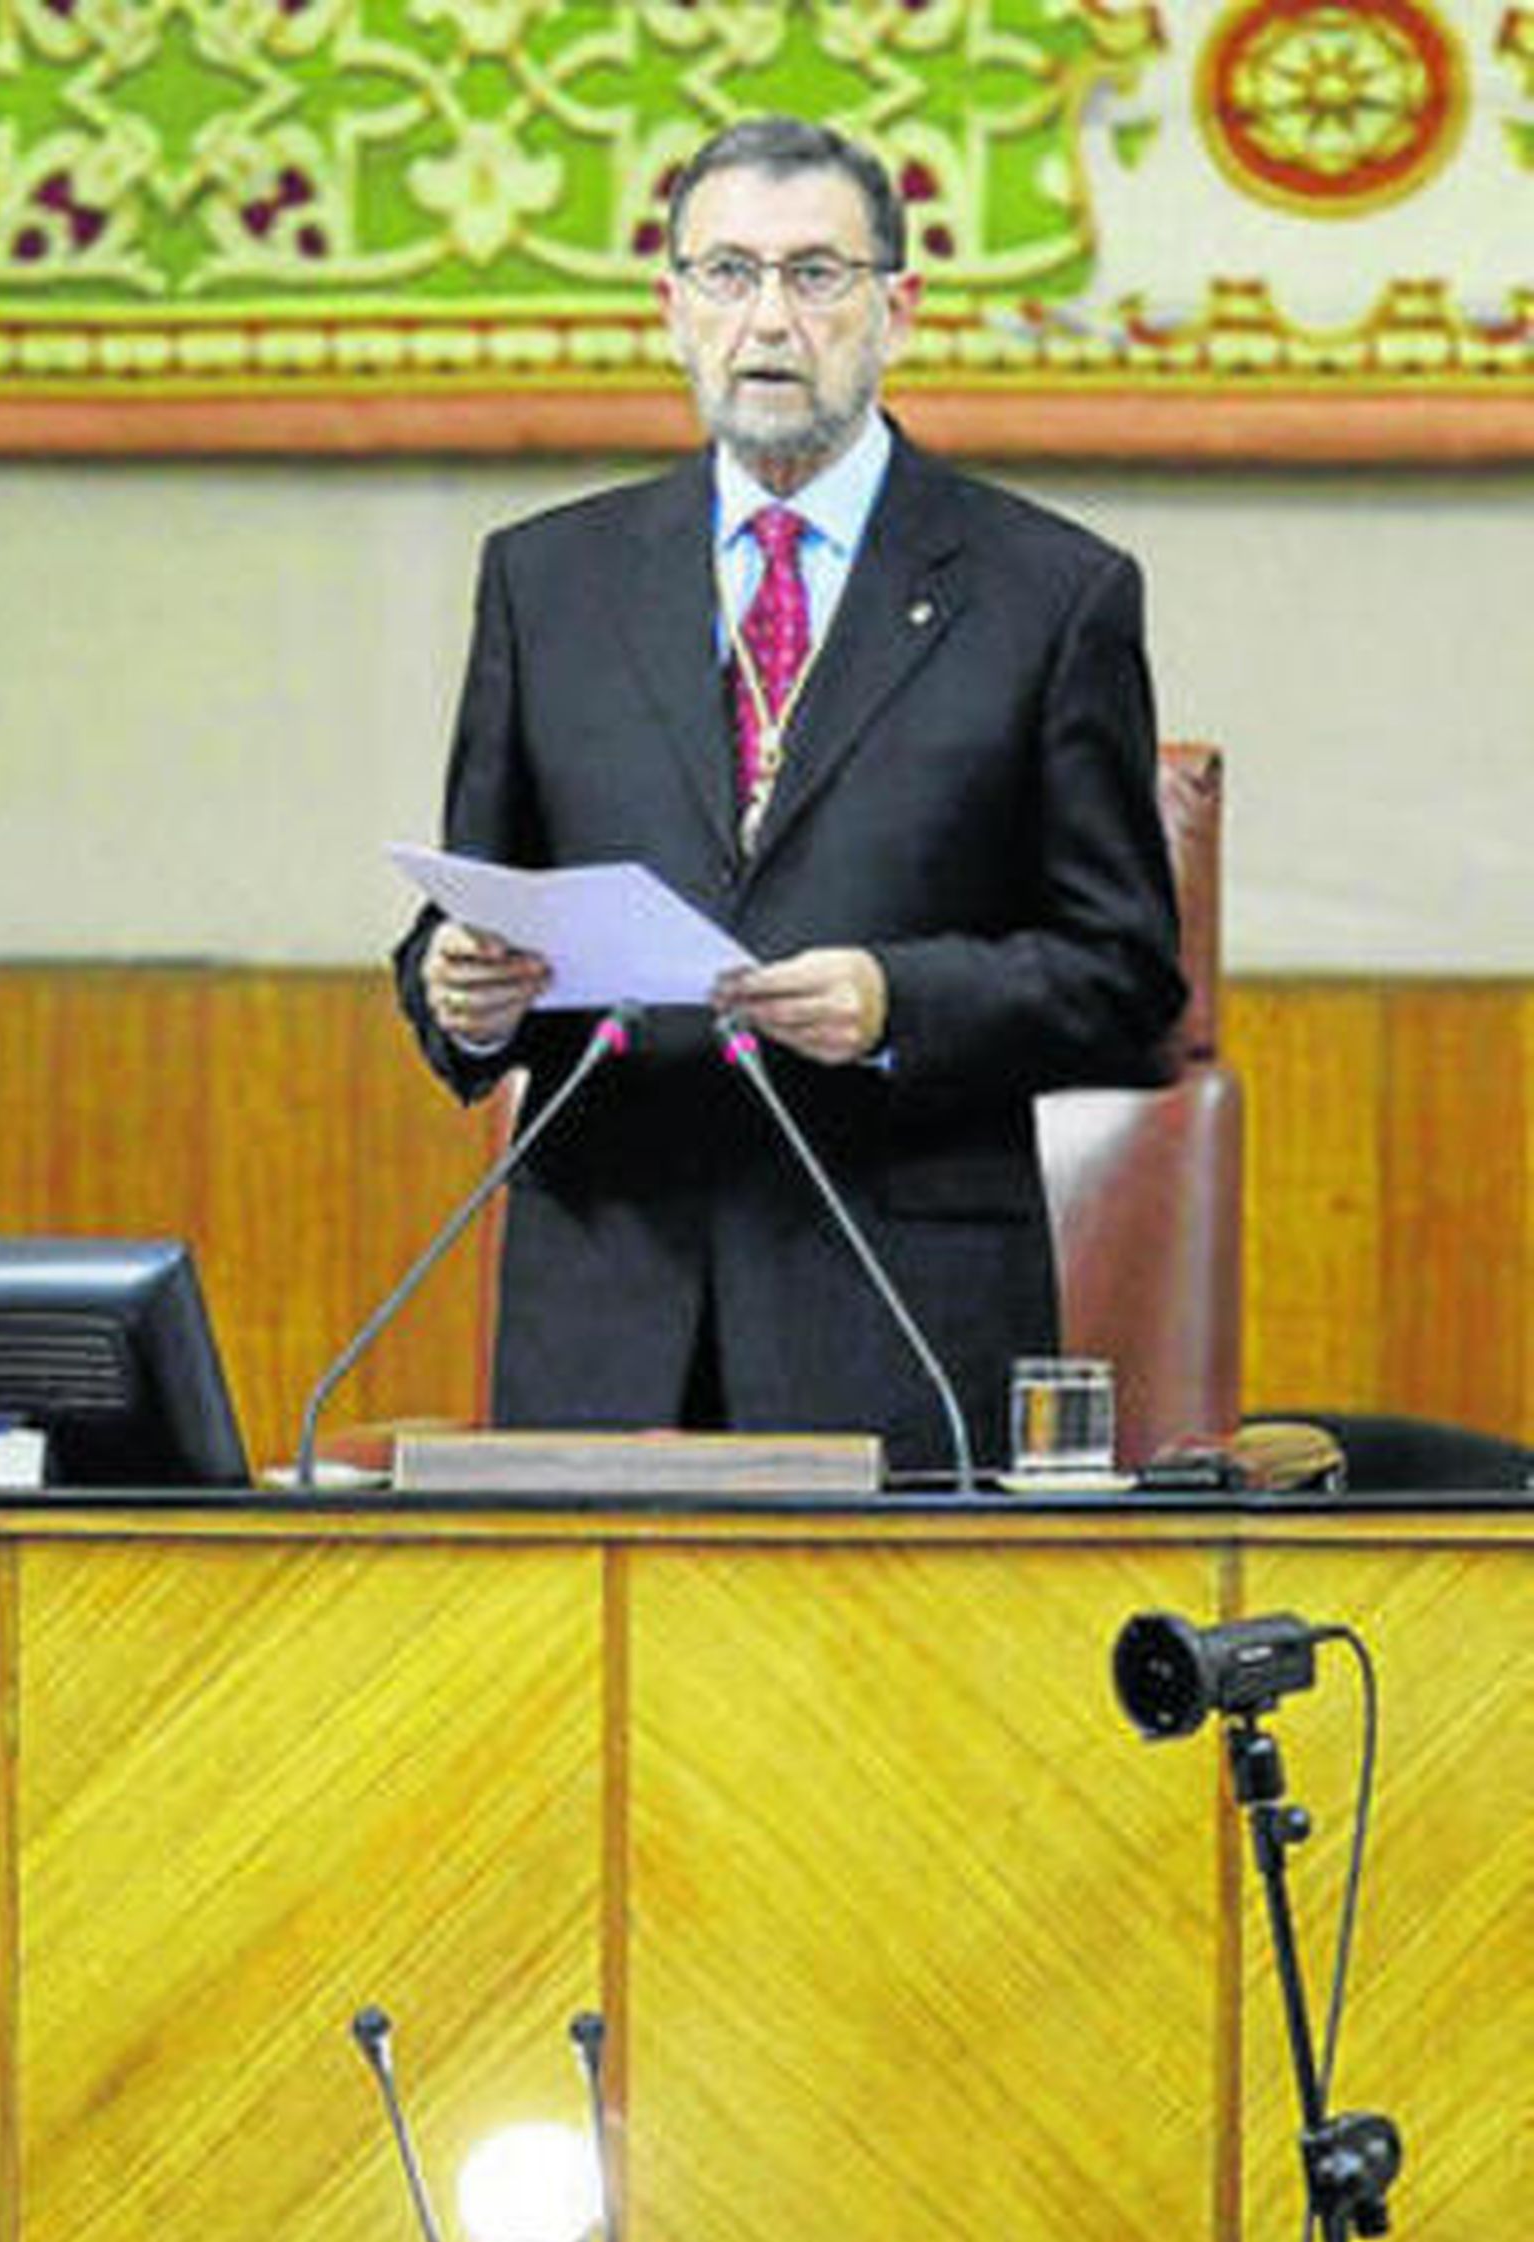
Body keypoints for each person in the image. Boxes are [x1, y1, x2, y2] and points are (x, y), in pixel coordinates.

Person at [394, 116, 1186, 1475]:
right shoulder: (547, 581)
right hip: (604, 1318)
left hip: (896, 1316)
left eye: (816, 275)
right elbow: (479, 901)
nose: (768, 319)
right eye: (726, 274)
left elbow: (1127, 978)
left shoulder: (1050, 594)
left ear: (898, 306)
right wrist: (456, 990)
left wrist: (897, 1001)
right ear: (669, 307)